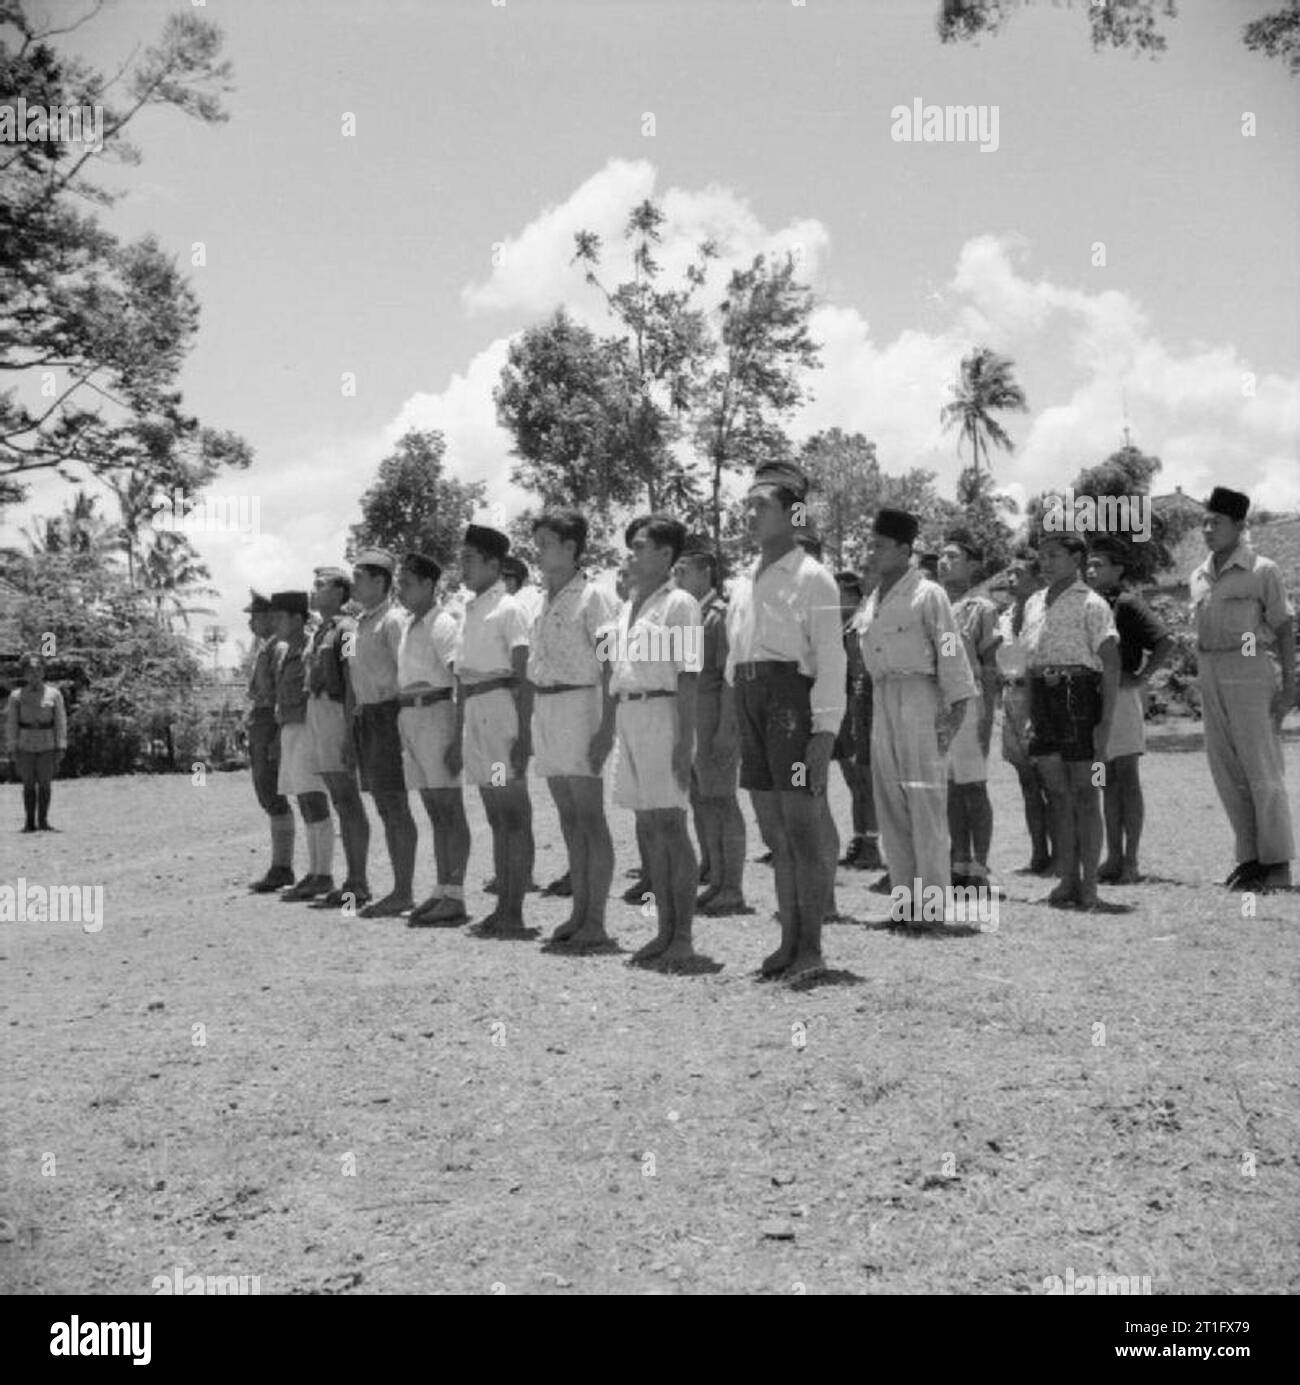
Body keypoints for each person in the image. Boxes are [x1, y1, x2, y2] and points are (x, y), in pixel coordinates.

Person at [726, 464, 846, 980]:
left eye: (762, 506)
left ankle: (812, 948)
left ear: (793, 515)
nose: (750, 514)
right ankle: (788, 942)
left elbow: (831, 658)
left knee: (802, 828)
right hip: (751, 700)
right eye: (747, 506)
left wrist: (824, 733)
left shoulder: (812, 577)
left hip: (791, 707)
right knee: (774, 831)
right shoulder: (743, 580)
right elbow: (736, 653)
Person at [857, 510, 977, 919]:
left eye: (879, 545)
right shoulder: (872, 599)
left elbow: (948, 645)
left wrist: (956, 702)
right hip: (883, 695)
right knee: (889, 800)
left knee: (924, 800)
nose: (870, 552)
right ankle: (905, 900)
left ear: (905, 550)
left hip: (920, 694)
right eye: (869, 544)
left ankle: (932, 905)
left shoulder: (928, 594)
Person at [1189, 486, 1296, 892]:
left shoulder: (1261, 569)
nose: (1207, 529)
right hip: (1210, 666)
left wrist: (1290, 685)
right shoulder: (1198, 575)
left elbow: (1284, 626)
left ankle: (1278, 862)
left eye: (1216, 522)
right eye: (1204, 522)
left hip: (1249, 664)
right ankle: (1250, 858)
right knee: (1225, 769)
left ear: (1239, 525)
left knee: (1261, 768)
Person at [608, 513, 703, 967]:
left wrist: (685, 742)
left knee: (670, 824)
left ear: (666, 555)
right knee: (647, 829)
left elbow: (689, 676)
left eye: (642, 546)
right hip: (630, 712)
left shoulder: (680, 603)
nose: (633, 553)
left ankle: (682, 935)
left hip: (664, 714)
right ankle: (662, 931)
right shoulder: (629, 604)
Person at [528, 510, 620, 948]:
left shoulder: (593, 597)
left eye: (547, 542)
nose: (539, 551)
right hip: (548, 705)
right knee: (568, 819)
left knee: (590, 817)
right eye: (538, 542)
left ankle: (597, 920)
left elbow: (610, 663)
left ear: (571, 547)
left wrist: (605, 728)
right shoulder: (542, 599)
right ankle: (578, 912)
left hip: (582, 704)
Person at [1022, 533, 1120, 909]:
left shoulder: (1091, 604)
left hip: (1079, 698)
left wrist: (1105, 723)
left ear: (1077, 558)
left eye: (1053, 555)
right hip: (1043, 701)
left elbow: (1110, 664)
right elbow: (1030, 664)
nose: (1044, 562)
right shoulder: (1033, 603)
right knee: (1056, 794)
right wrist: (1032, 714)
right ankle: (1066, 880)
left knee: (1086, 790)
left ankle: (1090, 885)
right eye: (1041, 556)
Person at [451, 524, 535, 936]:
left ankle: (514, 909)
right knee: (495, 814)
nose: (462, 567)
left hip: (501, 711)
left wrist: (523, 736)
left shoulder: (509, 608)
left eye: (469, 559)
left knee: (512, 814)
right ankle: (502, 904)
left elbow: (523, 672)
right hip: (477, 711)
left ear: (492, 564)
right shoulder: (470, 608)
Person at [1085, 536, 1175, 884]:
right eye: (1089, 565)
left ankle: (1132, 860)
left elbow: (1165, 640)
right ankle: (1113, 856)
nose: (1092, 570)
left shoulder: (1128, 604)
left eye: (1100, 565)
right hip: (1093, 696)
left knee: (1127, 777)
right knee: (1103, 778)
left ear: (1118, 570)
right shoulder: (1089, 604)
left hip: (1121, 698)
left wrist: (1141, 678)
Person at [673, 547, 749, 917]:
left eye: (683, 570)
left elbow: (729, 679)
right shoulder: (691, 615)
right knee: (704, 803)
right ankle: (716, 878)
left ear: (704, 572)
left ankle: (732, 886)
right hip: (692, 723)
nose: (678, 577)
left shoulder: (719, 616)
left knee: (722, 801)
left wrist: (726, 729)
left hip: (712, 722)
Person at [396, 553, 471, 927]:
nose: (401, 589)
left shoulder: (442, 623)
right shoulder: (411, 625)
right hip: (411, 714)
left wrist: (458, 738)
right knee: (433, 809)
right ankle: (441, 888)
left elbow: (461, 680)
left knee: (449, 808)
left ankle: (455, 894)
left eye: (408, 582)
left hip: (436, 711)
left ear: (429, 585)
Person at [348, 548, 420, 918]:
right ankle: (399, 888)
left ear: (380, 581)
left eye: (360, 577)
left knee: (395, 803)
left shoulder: (392, 621)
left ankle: (404, 890)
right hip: (366, 716)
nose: (354, 584)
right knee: (383, 805)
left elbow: (404, 672)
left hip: (389, 714)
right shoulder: (359, 623)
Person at [304, 566, 372, 910]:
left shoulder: (347, 629)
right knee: (339, 800)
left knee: (348, 799)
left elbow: (351, 682)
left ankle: (357, 881)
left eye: (321, 585)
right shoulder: (321, 631)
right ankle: (351, 879)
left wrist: (349, 731)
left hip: (335, 712)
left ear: (340, 591)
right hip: (318, 712)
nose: (314, 590)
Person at [938, 530, 1001, 890]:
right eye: (941, 557)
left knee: (973, 788)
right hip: (939, 704)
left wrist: (988, 715)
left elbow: (990, 664)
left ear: (974, 565)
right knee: (949, 788)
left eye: (953, 556)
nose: (944, 562)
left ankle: (979, 866)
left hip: (972, 702)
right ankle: (957, 861)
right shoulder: (933, 605)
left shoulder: (982, 608)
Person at [270, 591, 335, 900]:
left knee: (315, 798)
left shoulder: (310, 645)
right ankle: (313, 871)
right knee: (304, 801)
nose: (275, 623)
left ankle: (324, 873)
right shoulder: (283, 650)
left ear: (298, 619)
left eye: (281, 616)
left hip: (309, 726)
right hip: (290, 727)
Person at [993, 556, 1054, 875]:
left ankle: (1062, 854)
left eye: (1019, 573)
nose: (1012, 578)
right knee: (1026, 781)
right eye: (1010, 573)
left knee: (1051, 781)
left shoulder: (1045, 612)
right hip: (1011, 695)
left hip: (1039, 694)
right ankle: (1038, 854)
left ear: (1037, 578)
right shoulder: (1004, 617)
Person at [243, 591, 295, 890]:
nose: (251, 622)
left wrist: (276, 734)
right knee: (266, 792)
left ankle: (282, 866)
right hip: (260, 721)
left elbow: (278, 695)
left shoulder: (278, 648)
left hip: (270, 721)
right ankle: (280, 865)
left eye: (256, 616)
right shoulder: (266, 647)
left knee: (273, 794)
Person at [834, 569, 883, 871]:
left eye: (839, 595)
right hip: (843, 703)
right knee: (853, 780)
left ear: (853, 597)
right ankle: (859, 837)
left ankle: (871, 844)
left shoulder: (863, 621)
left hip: (860, 701)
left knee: (865, 777)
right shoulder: (841, 626)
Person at [5, 653, 67, 832]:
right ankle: (29, 822)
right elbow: (12, 723)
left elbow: (60, 721)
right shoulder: (17, 696)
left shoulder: (54, 694)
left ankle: (44, 821)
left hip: (47, 744)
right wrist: (12, 746)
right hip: (25, 744)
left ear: (43, 672)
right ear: (24, 674)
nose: (35, 674)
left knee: (45, 783)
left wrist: (61, 745)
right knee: (28, 783)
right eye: (30, 671)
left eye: (38, 669)